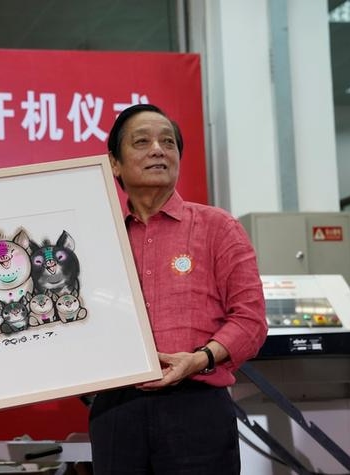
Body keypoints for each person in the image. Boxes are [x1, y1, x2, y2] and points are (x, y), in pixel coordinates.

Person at [88, 104, 268, 474]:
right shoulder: (94, 238)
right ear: (114, 164)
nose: (158, 149)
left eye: (168, 142)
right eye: (142, 141)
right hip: (116, 412)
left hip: (197, 406)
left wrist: (198, 359)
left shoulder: (218, 227)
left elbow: (251, 320)